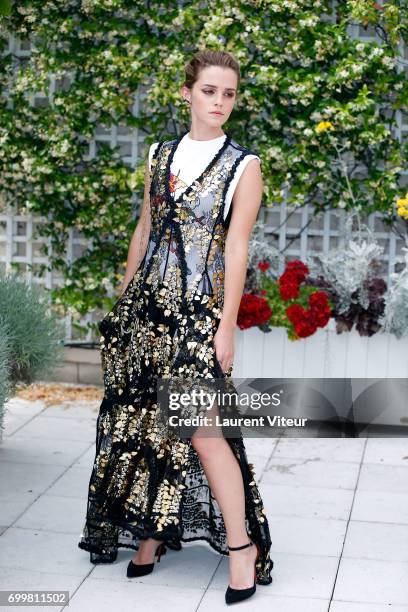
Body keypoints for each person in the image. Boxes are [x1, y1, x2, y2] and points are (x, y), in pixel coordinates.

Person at [78, 49, 274, 605]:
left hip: (199, 315)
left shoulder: (244, 165)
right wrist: (122, 304)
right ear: (187, 93)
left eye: (229, 94)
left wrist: (227, 327)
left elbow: (236, 250)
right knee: (144, 424)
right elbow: (144, 232)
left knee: (206, 435)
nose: (220, 102)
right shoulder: (160, 154)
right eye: (210, 90)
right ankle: (150, 534)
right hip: (147, 312)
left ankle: (242, 549)